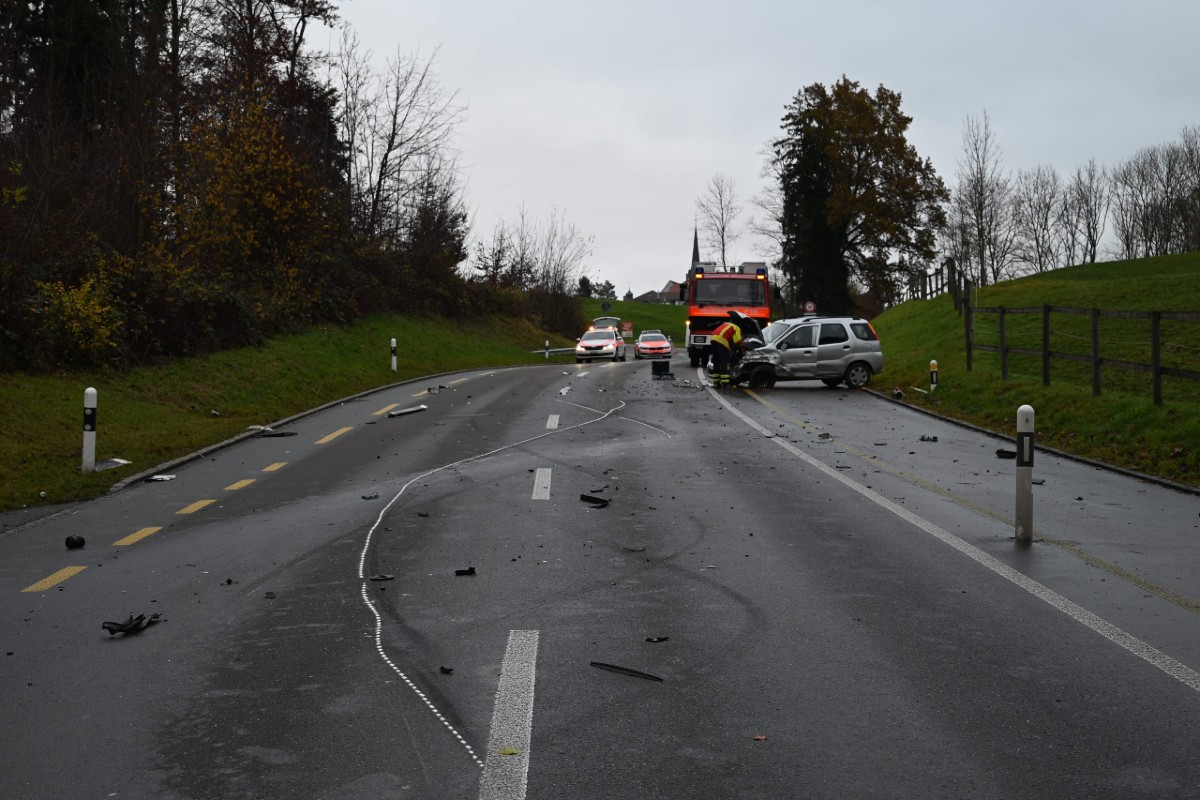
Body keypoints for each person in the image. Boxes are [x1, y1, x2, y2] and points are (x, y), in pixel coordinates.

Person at [709, 312, 743, 387]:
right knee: (724, 361)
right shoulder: (737, 328)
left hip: (713, 338)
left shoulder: (726, 324)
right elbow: (737, 341)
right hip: (722, 341)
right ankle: (725, 382)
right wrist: (740, 349)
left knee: (716, 361)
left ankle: (716, 382)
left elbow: (729, 338)